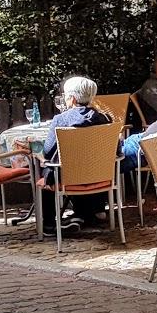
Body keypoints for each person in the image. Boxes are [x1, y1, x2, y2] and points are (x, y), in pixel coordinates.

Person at [40, 75, 113, 235]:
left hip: (68, 177)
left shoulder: (60, 120)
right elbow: (116, 149)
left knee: (46, 170)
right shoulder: (105, 119)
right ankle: (88, 214)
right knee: (89, 163)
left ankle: (49, 225)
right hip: (100, 176)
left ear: (72, 99)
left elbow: (47, 151)